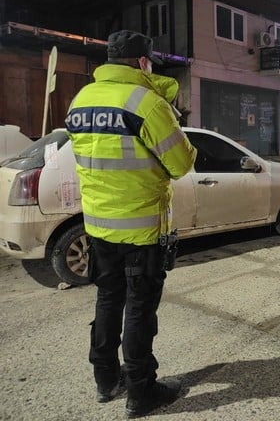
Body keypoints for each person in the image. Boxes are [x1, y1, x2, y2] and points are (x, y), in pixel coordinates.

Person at [65, 30, 197, 418]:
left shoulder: (81, 99)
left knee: (108, 301)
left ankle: (106, 380)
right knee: (140, 309)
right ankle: (141, 391)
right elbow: (182, 164)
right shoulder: (147, 104)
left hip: (99, 227)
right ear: (143, 62)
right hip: (141, 231)